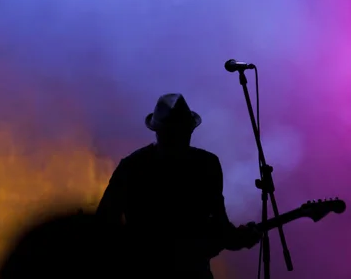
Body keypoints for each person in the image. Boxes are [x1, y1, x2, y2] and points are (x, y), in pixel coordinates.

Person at [96, 93, 261, 279]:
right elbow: (221, 230)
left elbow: (103, 227)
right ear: (190, 130)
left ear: (156, 130)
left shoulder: (132, 166)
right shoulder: (206, 165)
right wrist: (240, 238)